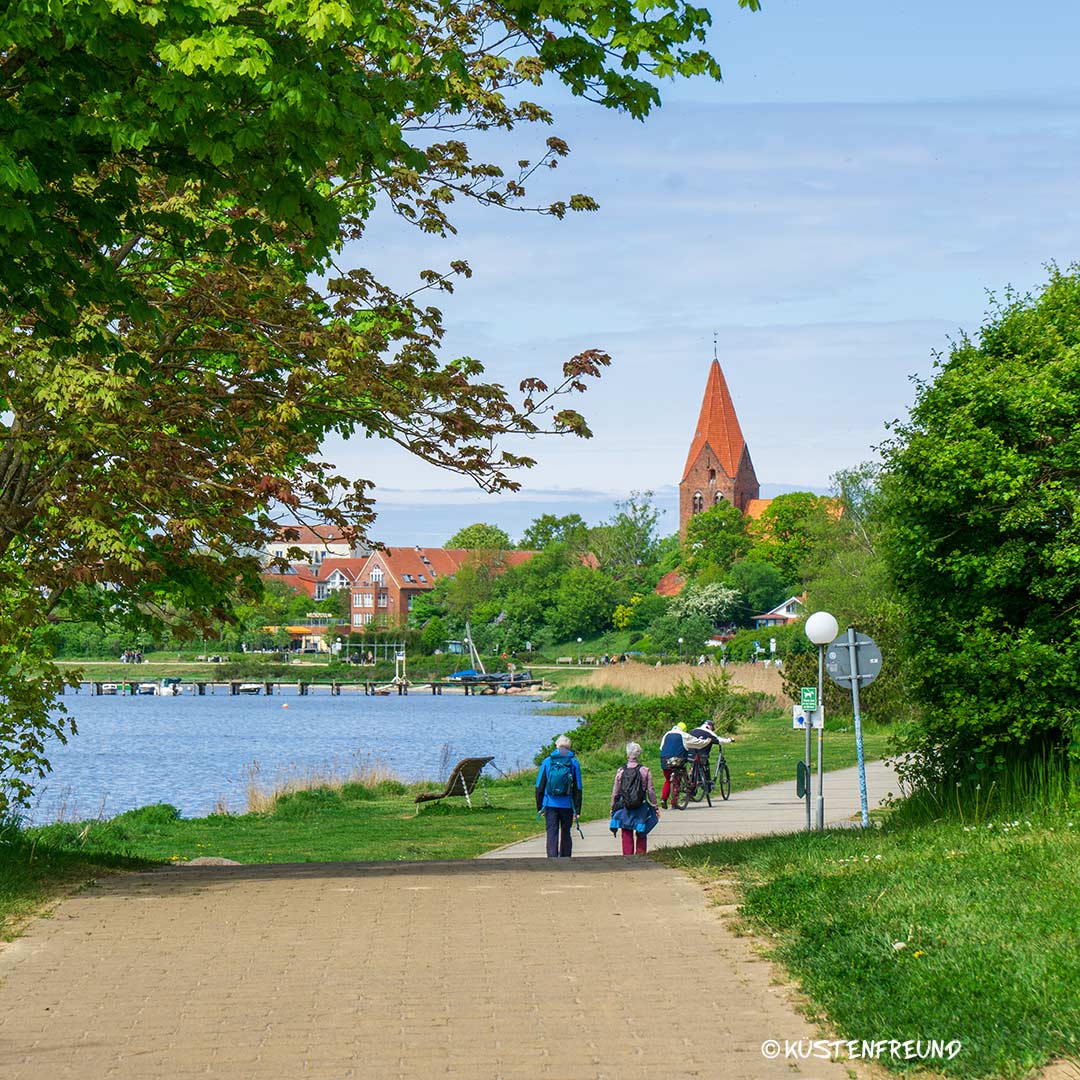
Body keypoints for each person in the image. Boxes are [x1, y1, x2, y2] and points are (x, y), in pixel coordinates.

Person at [535, 735, 583, 858]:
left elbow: (539, 786)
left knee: (552, 833)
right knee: (566, 832)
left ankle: (552, 859)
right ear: (569, 747)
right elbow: (578, 787)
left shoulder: (547, 761)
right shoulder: (573, 762)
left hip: (549, 804)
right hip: (567, 804)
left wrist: (540, 807)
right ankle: (565, 859)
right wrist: (577, 810)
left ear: (557, 746)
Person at [610, 742, 659, 855]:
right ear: (638, 755)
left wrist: (613, 806)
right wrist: (655, 805)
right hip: (640, 806)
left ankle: (627, 857)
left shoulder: (621, 771)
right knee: (642, 832)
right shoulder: (645, 771)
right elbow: (651, 790)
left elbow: (615, 792)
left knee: (626, 832)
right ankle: (641, 856)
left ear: (627, 755)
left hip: (625, 806)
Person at [683, 719, 734, 790]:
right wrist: (729, 740)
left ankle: (692, 785)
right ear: (710, 726)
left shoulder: (692, 731)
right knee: (705, 766)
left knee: (694, 765)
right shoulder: (709, 733)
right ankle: (707, 785)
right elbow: (720, 740)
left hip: (689, 755)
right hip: (702, 755)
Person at [658, 721, 688, 809]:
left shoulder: (667, 734)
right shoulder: (683, 735)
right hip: (677, 761)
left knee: (668, 780)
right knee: (677, 781)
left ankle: (663, 798)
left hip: (665, 760)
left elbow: (661, 747)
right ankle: (674, 802)